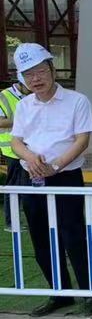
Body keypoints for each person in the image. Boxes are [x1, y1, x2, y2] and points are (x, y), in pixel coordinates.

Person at [10, 43, 92, 317]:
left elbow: (82, 140)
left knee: (73, 235)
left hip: (66, 176)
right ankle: (59, 293)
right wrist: (30, 157)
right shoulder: (24, 106)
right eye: (29, 75)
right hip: (32, 177)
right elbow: (16, 142)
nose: (35, 79)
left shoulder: (77, 101)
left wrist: (56, 165)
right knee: (41, 237)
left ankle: (91, 292)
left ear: (52, 69)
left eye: (40, 71)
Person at [0, 74, 31, 231]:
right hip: (11, 150)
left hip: (27, 148)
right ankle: (11, 222)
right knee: (13, 186)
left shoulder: (28, 96)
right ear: (21, 83)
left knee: (26, 186)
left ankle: (22, 219)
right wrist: (22, 121)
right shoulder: (4, 96)